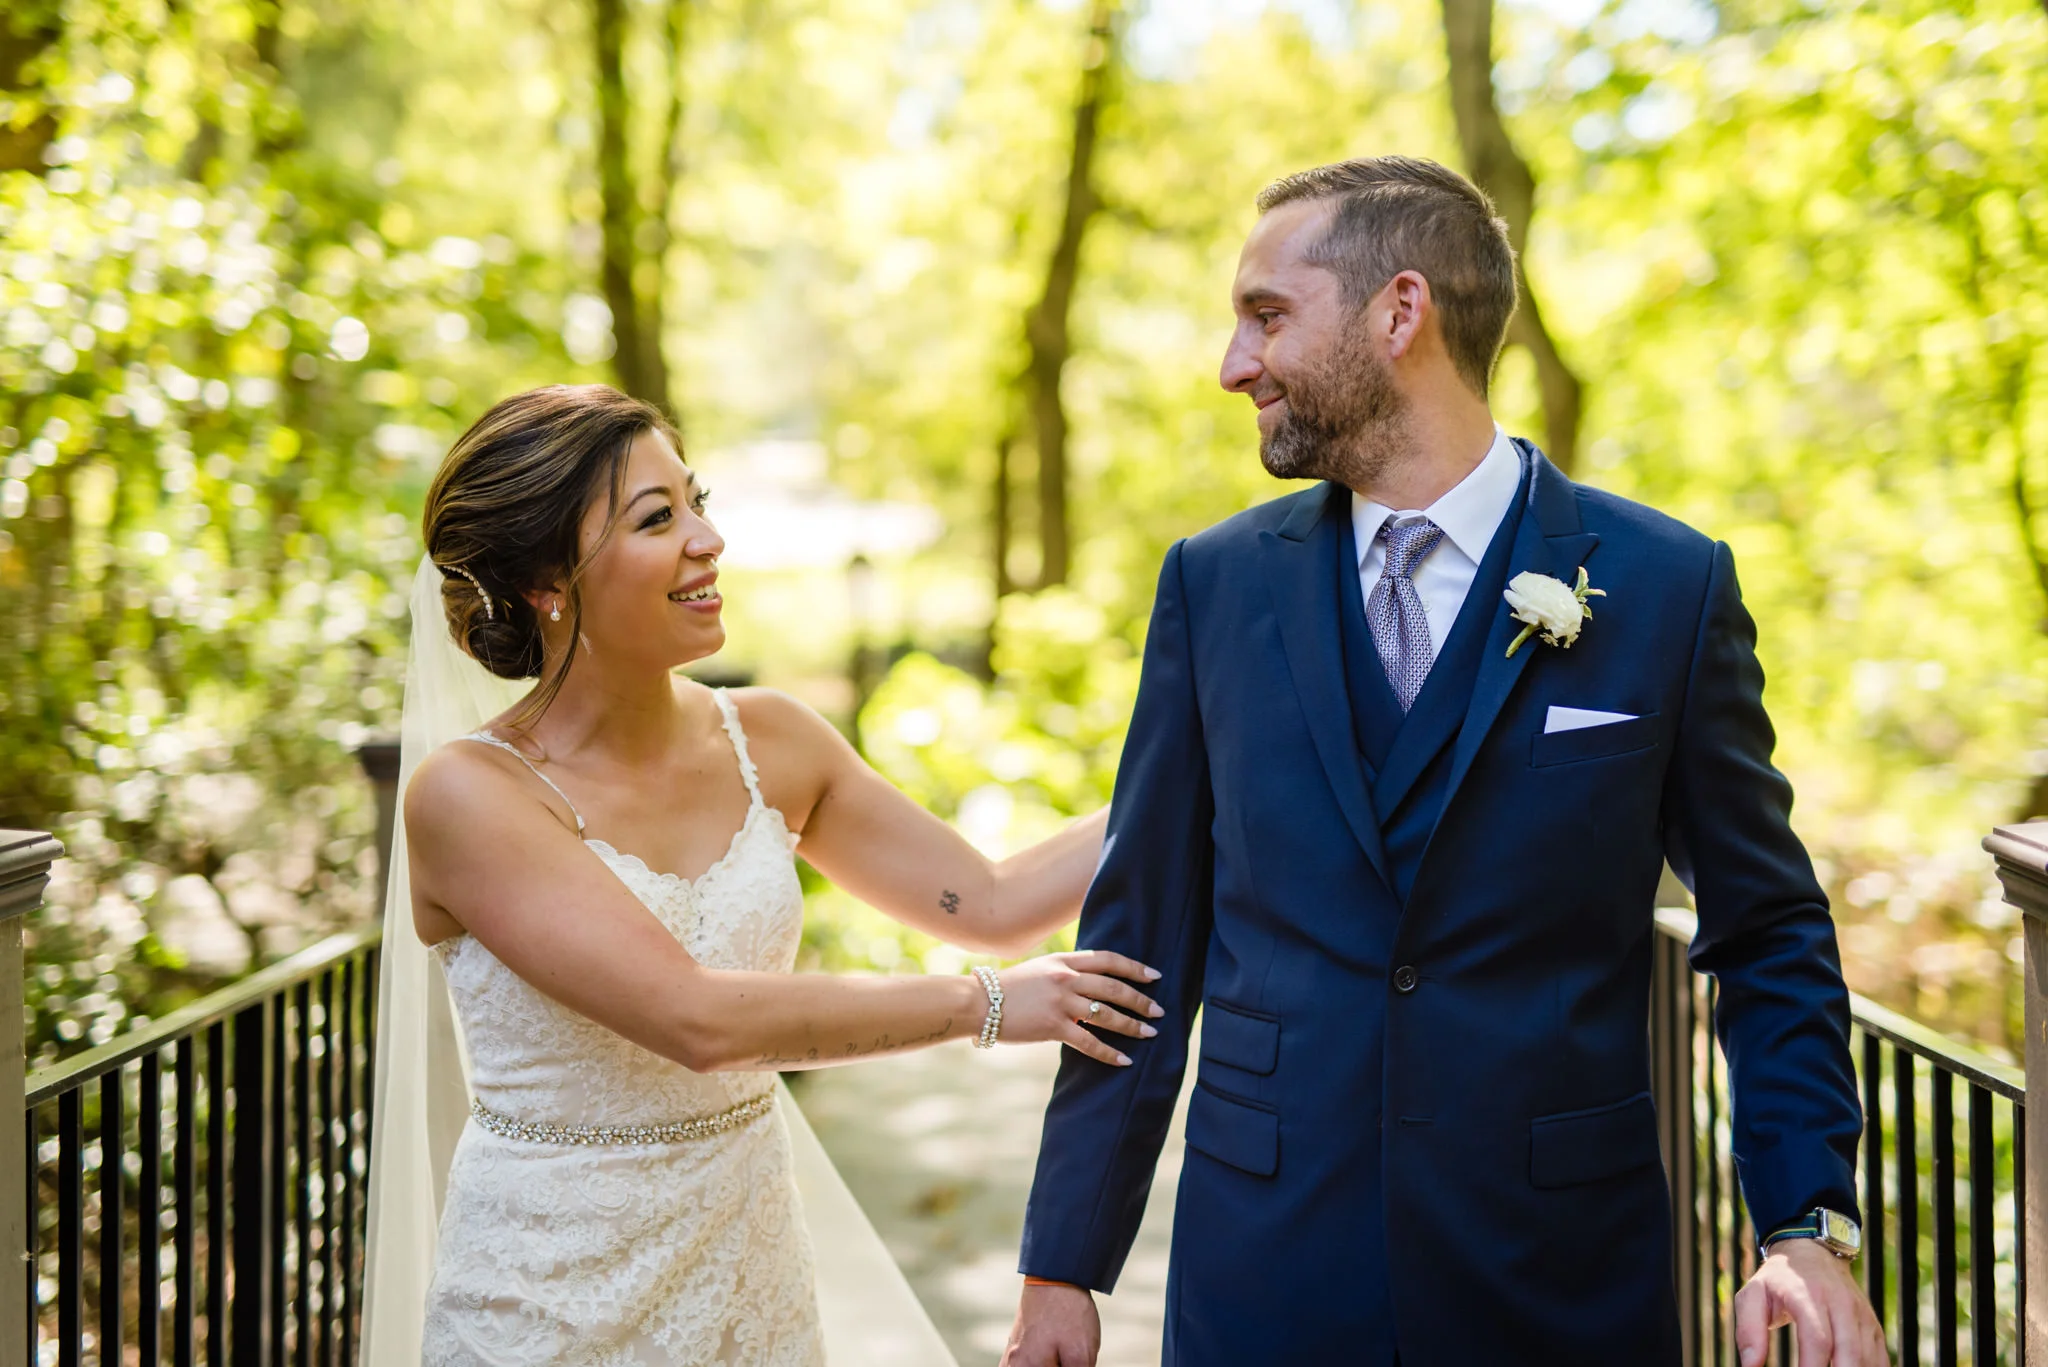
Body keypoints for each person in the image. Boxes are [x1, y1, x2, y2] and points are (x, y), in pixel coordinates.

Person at [1003, 156, 1887, 1367]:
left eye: (1266, 315)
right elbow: (1140, 941)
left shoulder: (1666, 587)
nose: (1231, 363)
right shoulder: (1212, 586)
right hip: (1263, 1265)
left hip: (1555, 1276)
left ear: (1398, 311)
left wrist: (1806, 1222)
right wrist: (1063, 1260)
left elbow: (1767, 927)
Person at [358, 383, 1162, 1367]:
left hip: (750, 1280)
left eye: (697, 501)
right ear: (544, 580)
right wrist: (986, 1006)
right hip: (550, 1301)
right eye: (659, 518)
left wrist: (1195, 769)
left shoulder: (770, 739)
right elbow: (697, 1019)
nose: (709, 540)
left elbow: (990, 902)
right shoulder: (469, 794)